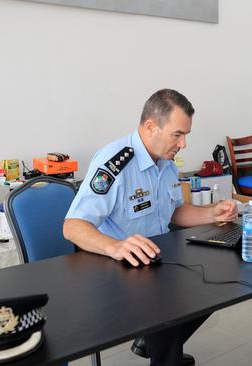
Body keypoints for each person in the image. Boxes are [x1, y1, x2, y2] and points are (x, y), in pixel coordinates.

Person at [63, 89, 238, 366]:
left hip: (157, 258)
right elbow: (73, 226)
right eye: (177, 134)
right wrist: (116, 246)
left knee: (217, 282)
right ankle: (164, 349)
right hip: (117, 267)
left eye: (186, 136)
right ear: (150, 127)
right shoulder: (114, 163)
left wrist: (211, 214)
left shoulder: (165, 162)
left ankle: (156, 342)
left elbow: (175, 212)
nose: (183, 144)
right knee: (165, 304)